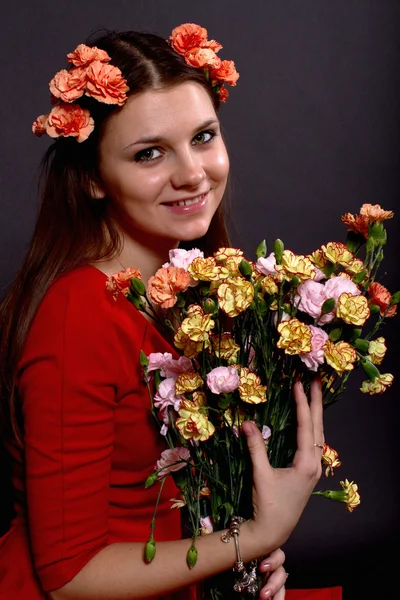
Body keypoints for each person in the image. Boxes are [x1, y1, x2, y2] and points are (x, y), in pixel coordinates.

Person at [0, 24, 324, 600]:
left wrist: (242, 563)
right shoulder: (80, 318)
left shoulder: (193, 293)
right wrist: (250, 537)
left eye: (203, 137)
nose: (193, 174)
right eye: (149, 153)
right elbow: (69, 577)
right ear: (93, 178)